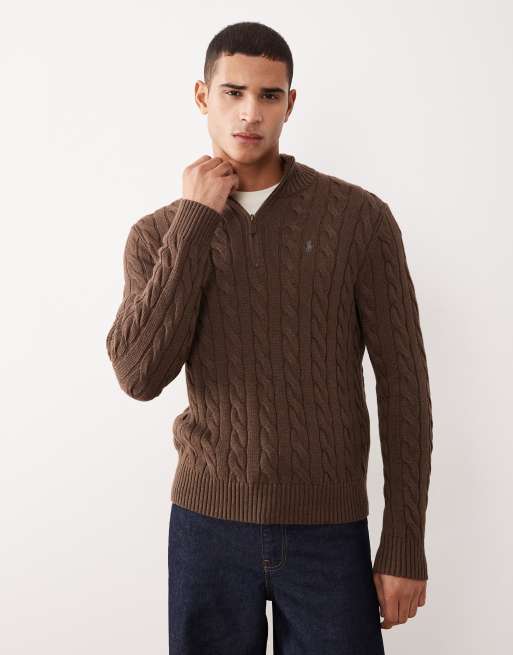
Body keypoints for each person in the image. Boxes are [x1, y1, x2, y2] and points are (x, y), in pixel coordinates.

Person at [106, 20, 433, 655]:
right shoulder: (159, 235)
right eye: (232, 92)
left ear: (290, 102)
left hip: (329, 529)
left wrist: (404, 544)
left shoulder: (359, 220)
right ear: (202, 96)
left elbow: (404, 386)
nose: (250, 113)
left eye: (269, 95)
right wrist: (196, 219)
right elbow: (138, 375)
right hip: (207, 528)